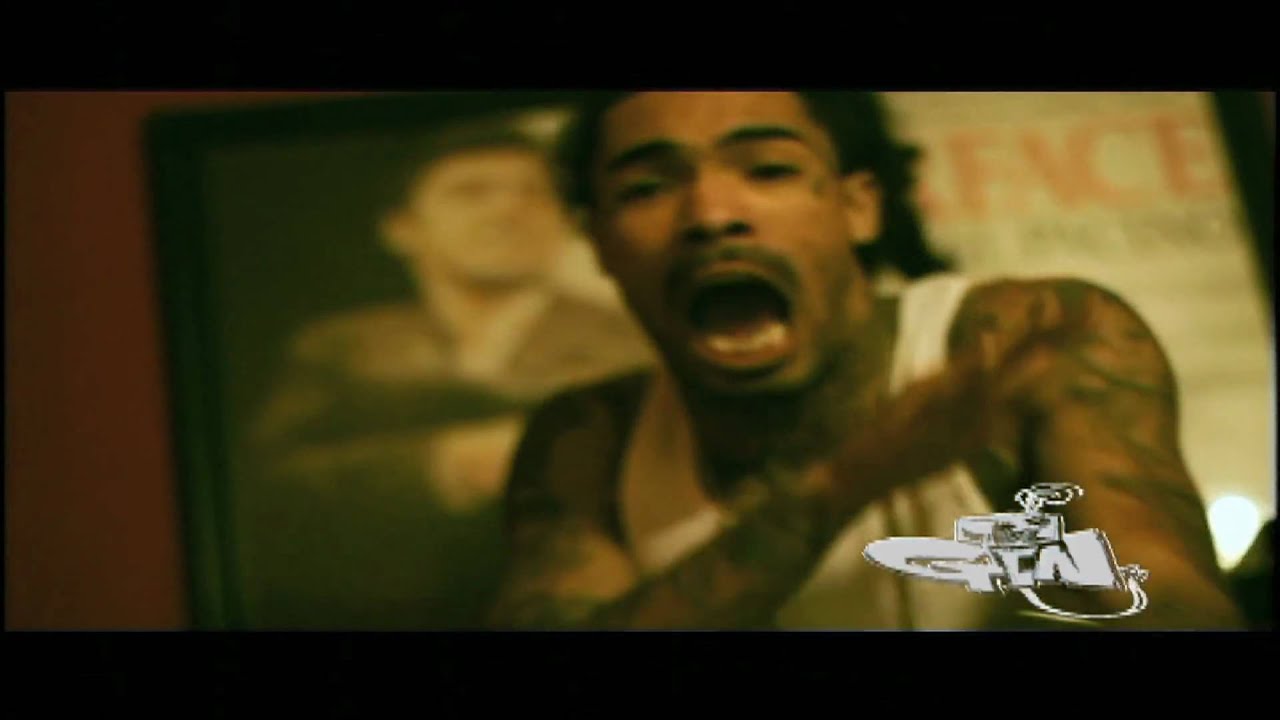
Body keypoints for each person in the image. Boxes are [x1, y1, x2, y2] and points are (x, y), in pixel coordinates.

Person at [485, 91, 1245, 630]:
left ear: (858, 207)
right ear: (599, 244)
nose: (712, 216)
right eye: (647, 187)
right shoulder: (590, 438)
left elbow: (1171, 604)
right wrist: (849, 478)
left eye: (769, 171)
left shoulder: (1027, 340)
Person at [239, 117, 654, 629]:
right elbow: (268, 489)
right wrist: (447, 464)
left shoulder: (633, 342)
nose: (508, 209)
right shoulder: (339, 347)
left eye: (534, 192)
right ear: (401, 228)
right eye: (470, 192)